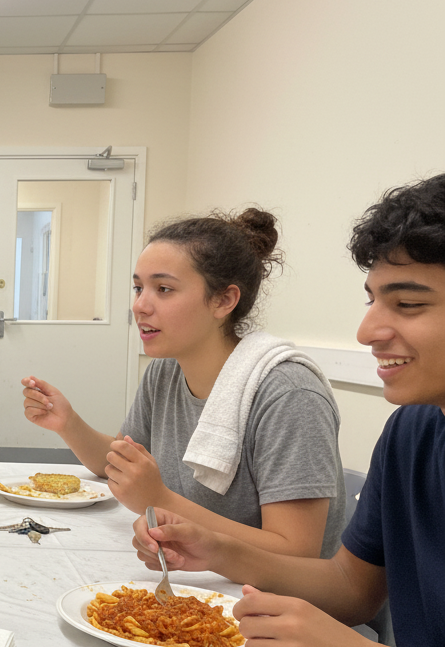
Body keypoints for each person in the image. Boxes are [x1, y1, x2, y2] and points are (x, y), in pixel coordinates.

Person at [133, 175, 445, 647]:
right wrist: (216, 550)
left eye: (410, 304)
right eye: (372, 300)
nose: (368, 329)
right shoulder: (411, 433)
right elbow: (352, 589)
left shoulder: (289, 390)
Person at [23, 208, 346, 558]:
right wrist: (67, 423)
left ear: (223, 300)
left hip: (279, 603)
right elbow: (119, 467)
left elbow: (296, 554)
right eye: (138, 288)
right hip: (201, 579)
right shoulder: (165, 372)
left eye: (163, 289)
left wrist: (161, 500)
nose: (140, 306)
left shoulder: (288, 394)